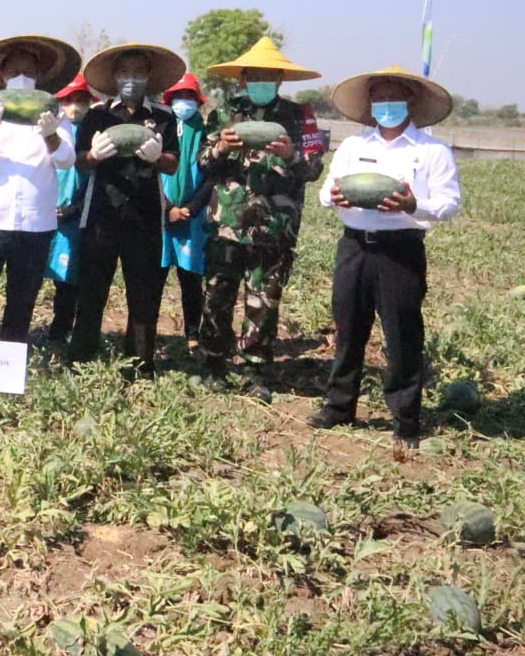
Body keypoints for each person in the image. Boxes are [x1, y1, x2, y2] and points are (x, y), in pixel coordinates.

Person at [311, 65, 461, 448]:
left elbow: (448, 204)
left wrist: (415, 204)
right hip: (354, 246)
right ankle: (339, 406)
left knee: (402, 334)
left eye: (393, 96)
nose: (386, 104)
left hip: (401, 250)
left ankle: (406, 418)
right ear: (370, 103)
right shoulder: (353, 147)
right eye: (379, 97)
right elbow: (325, 192)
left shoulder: (432, 151)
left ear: (410, 100)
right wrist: (335, 198)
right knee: (348, 328)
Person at [194, 37, 324, 397]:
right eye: (254, 74)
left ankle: (257, 373)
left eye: (269, 75)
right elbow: (203, 163)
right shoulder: (223, 113)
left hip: (275, 228)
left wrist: (292, 154)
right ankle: (212, 365)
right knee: (217, 296)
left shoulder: (302, 117)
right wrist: (220, 147)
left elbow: (314, 168)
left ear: (280, 79)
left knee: (264, 302)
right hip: (228, 224)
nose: (261, 80)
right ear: (243, 78)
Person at [0, 36, 80, 344]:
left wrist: (50, 135)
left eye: (28, 70)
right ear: (2, 74)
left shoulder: (54, 114)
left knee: (22, 298)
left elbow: (65, 160)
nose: (21, 76)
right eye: (14, 70)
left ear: (39, 75)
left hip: (36, 224)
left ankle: (10, 362)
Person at [68, 44, 183, 369]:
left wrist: (156, 158)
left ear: (148, 76)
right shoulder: (98, 114)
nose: (130, 78)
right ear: (115, 76)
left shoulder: (162, 116)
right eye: (124, 72)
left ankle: (139, 363)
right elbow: (78, 162)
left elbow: (172, 164)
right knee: (91, 290)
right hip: (101, 215)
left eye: (138, 72)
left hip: (145, 217)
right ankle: (82, 357)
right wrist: (93, 156)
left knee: (143, 293)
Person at [158, 72, 212, 351]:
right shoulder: (160, 128)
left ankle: (193, 334)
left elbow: (210, 178)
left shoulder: (205, 133)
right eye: (178, 97)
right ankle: (146, 331)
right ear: (169, 101)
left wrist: (189, 209)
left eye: (189, 96)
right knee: (154, 275)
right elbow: (152, 173)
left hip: (193, 217)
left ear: (197, 102)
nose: (183, 102)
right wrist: (167, 208)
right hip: (161, 214)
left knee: (191, 279)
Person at [40, 74, 95, 346]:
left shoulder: (91, 133)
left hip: (76, 216)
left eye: (81, 101)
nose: (74, 107)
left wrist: (77, 206)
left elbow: (94, 177)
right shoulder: (50, 131)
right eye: (68, 101)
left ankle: (60, 330)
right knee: (36, 271)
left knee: (69, 279)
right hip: (45, 213)